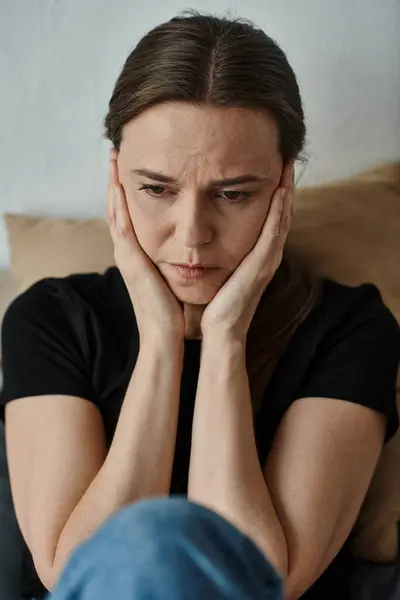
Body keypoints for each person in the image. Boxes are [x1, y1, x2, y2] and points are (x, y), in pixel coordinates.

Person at [0, 9, 399, 600]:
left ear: (284, 187)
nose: (191, 234)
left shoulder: (351, 329)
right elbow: (76, 577)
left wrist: (225, 338)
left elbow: (265, 581)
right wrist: (161, 339)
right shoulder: (52, 319)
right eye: (156, 189)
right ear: (116, 180)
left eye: (233, 194)